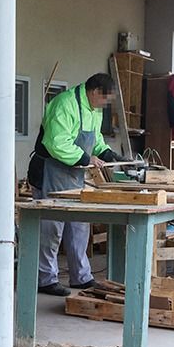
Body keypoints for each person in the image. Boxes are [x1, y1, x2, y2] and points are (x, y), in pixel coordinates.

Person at [29, 73, 123, 296]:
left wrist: (107, 153)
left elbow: (95, 139)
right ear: (95, 92)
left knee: (79, 226)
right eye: (105, 99)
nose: (106, 105)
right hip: (51, 171)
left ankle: (81, 277)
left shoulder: (93, 109)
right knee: (51, 228)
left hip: (74, 174)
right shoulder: (65, 104)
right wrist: (86, 158)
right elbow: (56, 143)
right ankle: (45, 279)